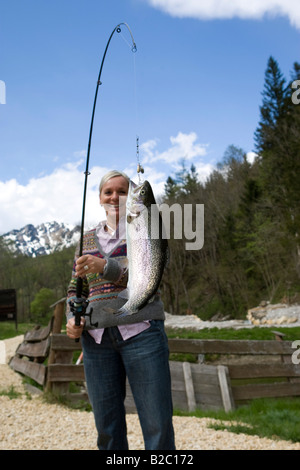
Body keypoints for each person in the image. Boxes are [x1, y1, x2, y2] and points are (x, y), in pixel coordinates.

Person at [66, 170, 175, 451]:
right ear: (100, 198)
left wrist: (105, 267)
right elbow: (74, 290)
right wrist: (72, 319)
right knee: (108, 429)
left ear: (131, 198)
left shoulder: (148, 229)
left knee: (157, 425)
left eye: (122, 190)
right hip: (97, 342)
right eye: (108, 191)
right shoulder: (86, 240)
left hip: (143, 334)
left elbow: (147, 278)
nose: (115, 196)